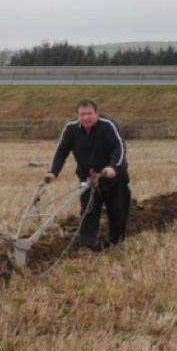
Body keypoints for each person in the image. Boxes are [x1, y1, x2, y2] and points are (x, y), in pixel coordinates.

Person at [44, 98, 130, 251]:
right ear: (78, 115)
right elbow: (62, 150)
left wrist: (113, 168)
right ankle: (87, 245)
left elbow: (119, 147)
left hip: (112, 177)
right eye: (82, 114)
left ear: (96, 113)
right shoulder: (71, 128)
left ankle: (116, 244)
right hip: (88, 178)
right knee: (88, 211)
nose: (85, 117)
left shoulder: (108, 125)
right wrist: (53, 171)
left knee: (117, 211)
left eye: (89, 113)